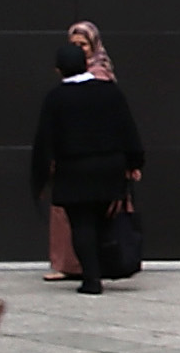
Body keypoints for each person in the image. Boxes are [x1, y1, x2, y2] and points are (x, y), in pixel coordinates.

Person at [31, 40, 143, 294]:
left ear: (59, 70)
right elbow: (128, 130)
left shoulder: (56, 98)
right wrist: (134, 163)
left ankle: (91, 279)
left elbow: (44, 141)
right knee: (103, 221)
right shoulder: (110, 92)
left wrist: (40, 179)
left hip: (74, 170)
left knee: (81, 224)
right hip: (109, 168)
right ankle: (107, 266)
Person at [44, 21, 116, 280]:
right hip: (80, 164)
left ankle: (90, 269)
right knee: (73, 220)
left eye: (83, 44)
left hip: (88, 163)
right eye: (74, 45)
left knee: (86, 220)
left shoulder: (102, 79)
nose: (79, 50)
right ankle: (72, 265)